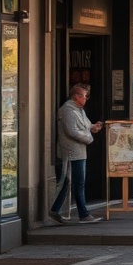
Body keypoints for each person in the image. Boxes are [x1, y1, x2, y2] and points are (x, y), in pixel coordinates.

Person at [49, 83, 103, 224]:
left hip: (78, 153)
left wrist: (93, 127)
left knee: (70, 183)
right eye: (85, 96)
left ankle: (56, 210)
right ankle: (83, 214)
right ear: (76, 97)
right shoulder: (68, 111)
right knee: (74, 183)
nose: (86, 98)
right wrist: (89, 138)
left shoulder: (79, 110)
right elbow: (72, 131)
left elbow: (85, 125)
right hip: (71, 154)